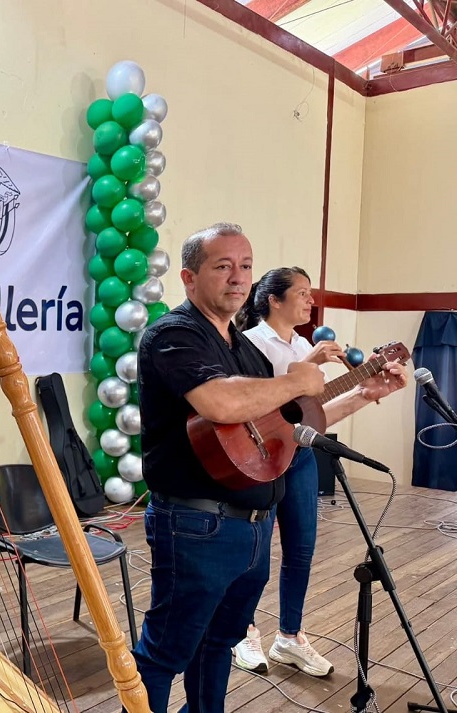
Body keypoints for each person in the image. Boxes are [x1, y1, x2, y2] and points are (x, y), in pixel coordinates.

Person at [132, 223, 406, 712]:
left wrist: (363, 393)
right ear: (190, 278)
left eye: (245, 266)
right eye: (222, 266)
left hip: (253, 529)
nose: (238, 278)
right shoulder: (174, 335)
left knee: (218, 645)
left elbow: (290, 425)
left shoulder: (245, 348)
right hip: (196, 525)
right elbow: (218, 401)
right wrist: (298, 378)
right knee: (165, 653)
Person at [230, 267, 362, 677]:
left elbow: (312, 410)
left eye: (310, 294)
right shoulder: (249, 343)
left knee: (301, 548)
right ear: (274, 299)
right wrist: (309, 361)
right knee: (256, 553)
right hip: (262, 457)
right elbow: (257, 405)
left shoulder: (303, 341)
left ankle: (289, 636)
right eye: (302, 293)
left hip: (301, 455)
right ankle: (242, 632)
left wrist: (366, 386)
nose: (310, 301)